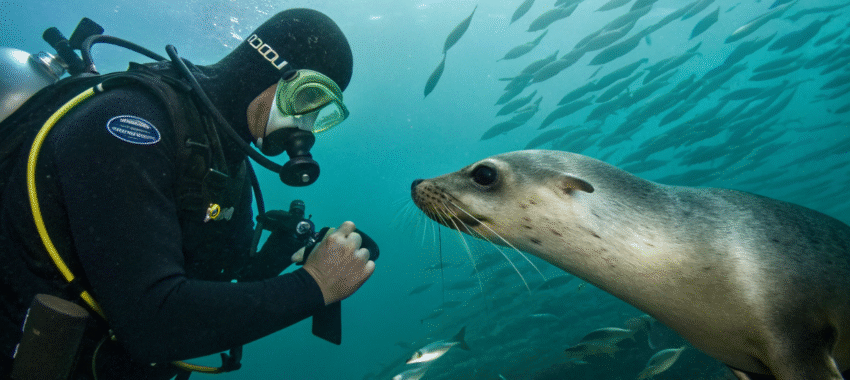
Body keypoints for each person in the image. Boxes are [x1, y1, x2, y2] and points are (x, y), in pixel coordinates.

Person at [0, 8, 376, 380]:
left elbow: (214, 284)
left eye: (322, 112)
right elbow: (153, 322)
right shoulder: (131, 125)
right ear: (273, 69)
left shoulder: (226, 160)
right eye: (308, 98)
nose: (307, 126)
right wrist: (314, 286)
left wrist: (278, 255)